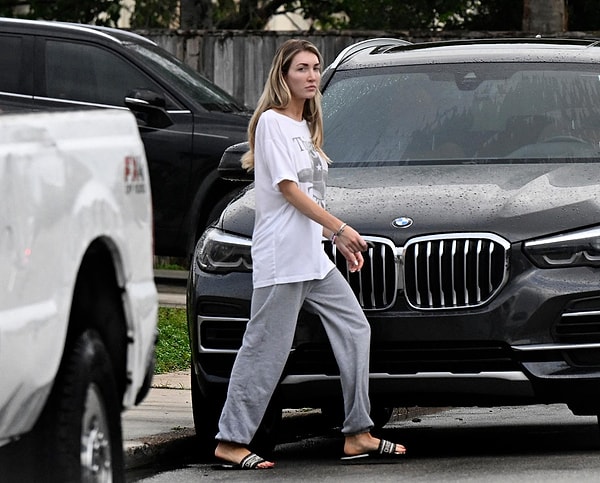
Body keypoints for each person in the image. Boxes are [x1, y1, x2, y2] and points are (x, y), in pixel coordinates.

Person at [214, 38, 407, 470]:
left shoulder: (304, 128)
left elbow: (307, 198)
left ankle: (358, 432)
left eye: (316, 68)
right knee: (265, 347)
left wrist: (332, 237)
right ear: (283, 76)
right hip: (282, 257)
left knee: (355, 328)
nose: (312, 75)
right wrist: (340, 228)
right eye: (301, 68)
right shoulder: (271, 124)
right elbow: (287, 190)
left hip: (312, 256)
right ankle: (231, 440)